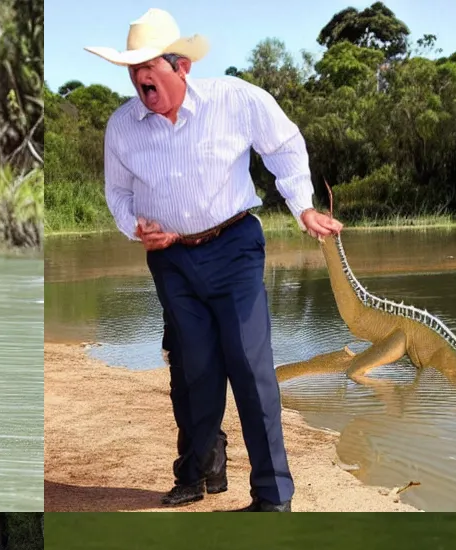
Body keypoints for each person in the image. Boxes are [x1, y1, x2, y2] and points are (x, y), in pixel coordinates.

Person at [87, 9, 345, 510]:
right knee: (193, 370)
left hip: (234, 248)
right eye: (131, 68)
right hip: (172, 261)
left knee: (250, 368)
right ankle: (199, 472)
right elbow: (117, 194)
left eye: (148, 66)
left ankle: (272, 497)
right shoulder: (123, 126)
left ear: (180, 66)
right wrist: (135, 227)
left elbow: (285, 146)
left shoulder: (234, 98)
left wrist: (303, 207)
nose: (139, 77)